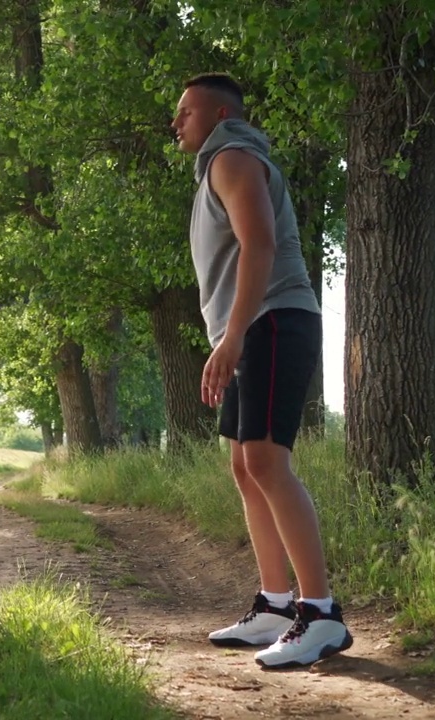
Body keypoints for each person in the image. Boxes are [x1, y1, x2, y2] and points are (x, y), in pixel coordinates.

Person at [171, 72, 353, 669]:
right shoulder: (218, 165)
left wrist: (233, 338)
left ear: (221, 115)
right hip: (253, 327)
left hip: (273, 321)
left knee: (267, 461)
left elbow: (261, 246)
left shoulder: (231, 156)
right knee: (245, 466)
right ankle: (275, 604)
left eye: (186, 113)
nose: (176, 123)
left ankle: (320, 613)